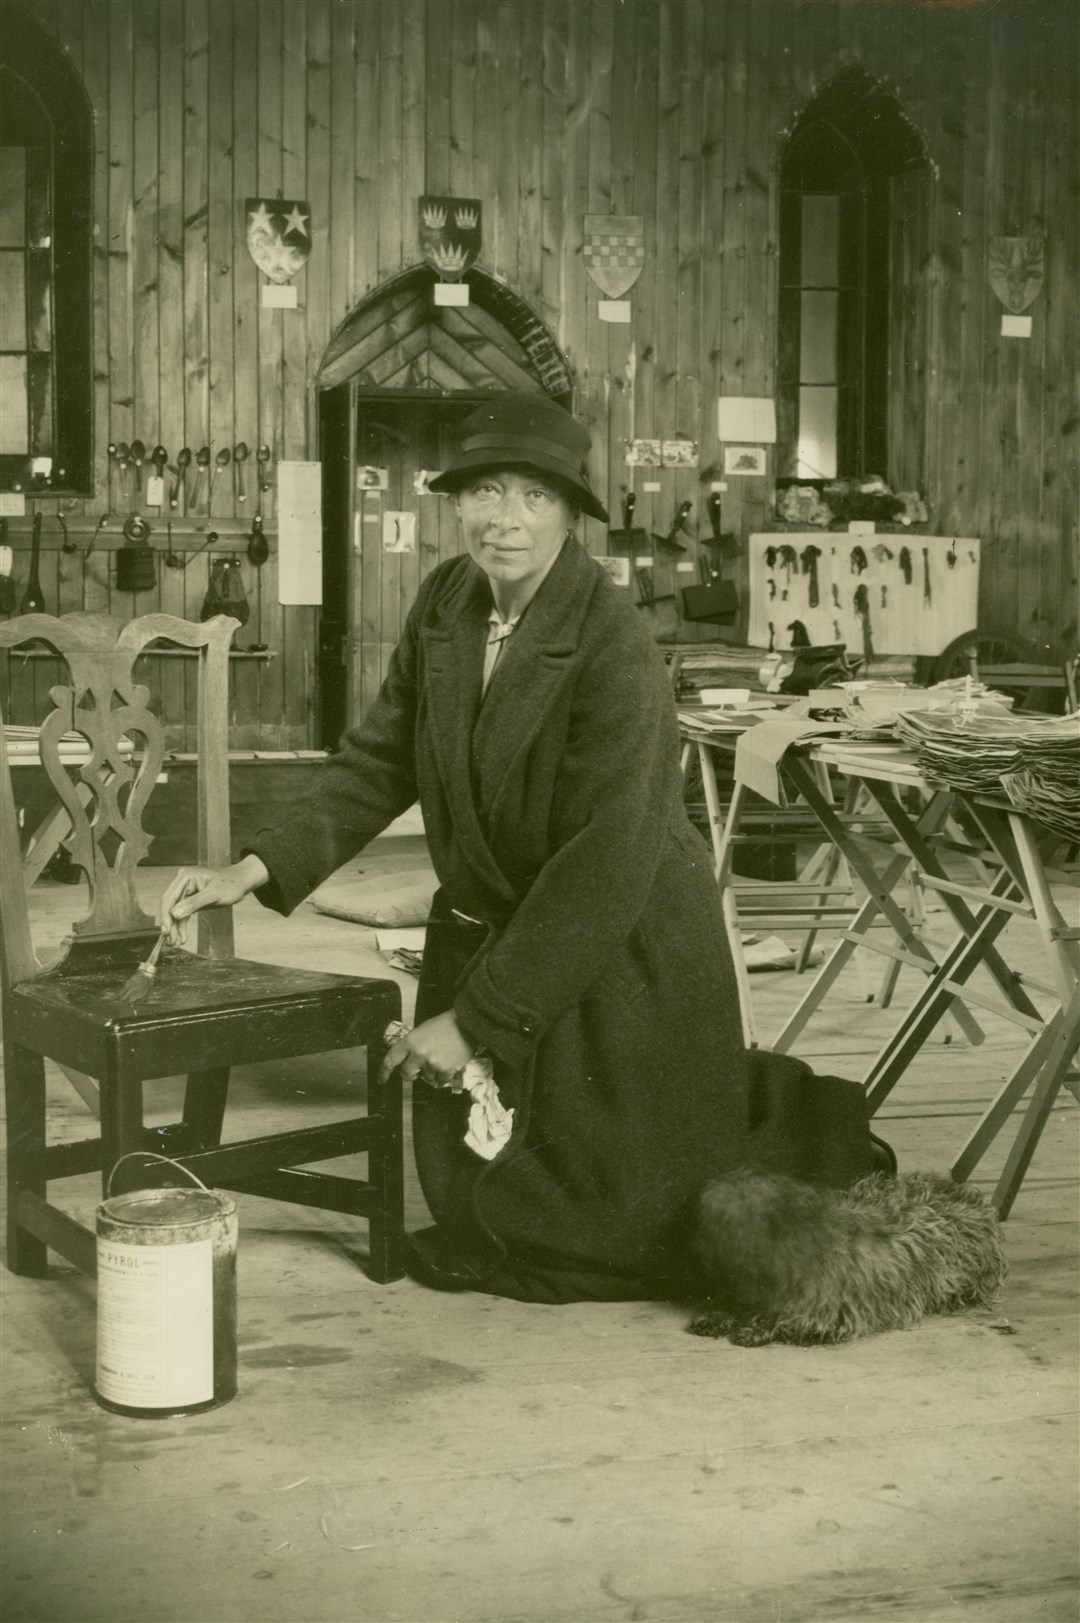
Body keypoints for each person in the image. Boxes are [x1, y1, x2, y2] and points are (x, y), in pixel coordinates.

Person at [160, 392, 875, 1304]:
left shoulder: (613, 638)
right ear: (454, 504)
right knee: (480, 1190)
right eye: (484, 493)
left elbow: (603, 862)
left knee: (612, 1222)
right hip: (504, 925)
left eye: (532, 497)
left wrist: (475, 1022)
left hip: (620, 948)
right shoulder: (447, 602)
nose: (504, 521)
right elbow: (381, 756)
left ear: (571, 512)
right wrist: (252, 867)